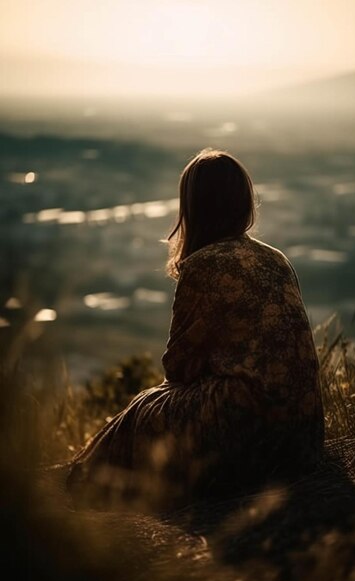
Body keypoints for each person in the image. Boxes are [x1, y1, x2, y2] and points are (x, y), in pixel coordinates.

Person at [66, 148, 324, 512]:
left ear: (194, 207)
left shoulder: (204, 264)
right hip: (303, 435)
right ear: (243, 202)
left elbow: (178, 367)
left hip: (248, 423)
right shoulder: (275, 257)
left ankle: (83, 488)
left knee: (145, 406)